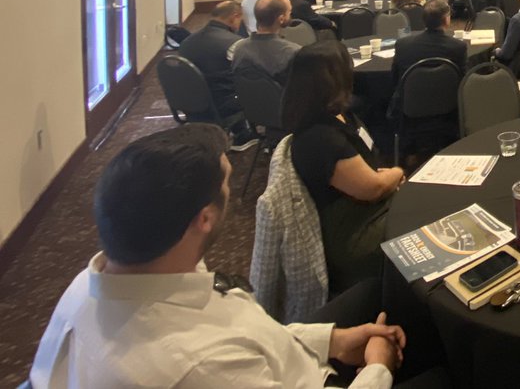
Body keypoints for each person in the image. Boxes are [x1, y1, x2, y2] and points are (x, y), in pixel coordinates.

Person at [31, 124, 407, 388]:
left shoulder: (91, 283)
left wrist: (333, 341)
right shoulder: (199, 367)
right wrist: (379, 368)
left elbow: (247, 335)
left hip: (285, 352)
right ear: (204, 218)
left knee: (379, 289)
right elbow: (230, 354)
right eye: (227, 183)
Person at [285, 43, 407, 292]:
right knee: (428, 218)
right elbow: (371, 189)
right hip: (356, 234)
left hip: (369, 207)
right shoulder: (320, 138)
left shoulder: (337, 114)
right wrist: (397, 173)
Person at [177, 2, 258, 150]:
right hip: (223, 102)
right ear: (235, 17)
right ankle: (242, 134)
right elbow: (251, 73)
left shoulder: (187, 42)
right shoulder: (234, 43)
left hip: (190, 101)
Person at [391, 0, 468, 85]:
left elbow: (395, 78)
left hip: (409, 96)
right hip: (448, 96)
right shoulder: (458, 47)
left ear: (423, 19)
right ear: (446, 20)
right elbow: (463, 81)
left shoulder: (402, 45)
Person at [230, 0, 301, 82]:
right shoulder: (292, 52)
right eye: (289, 12)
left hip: (247, 95)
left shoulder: (239, 48)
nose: (290, 15)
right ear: (281, 19)